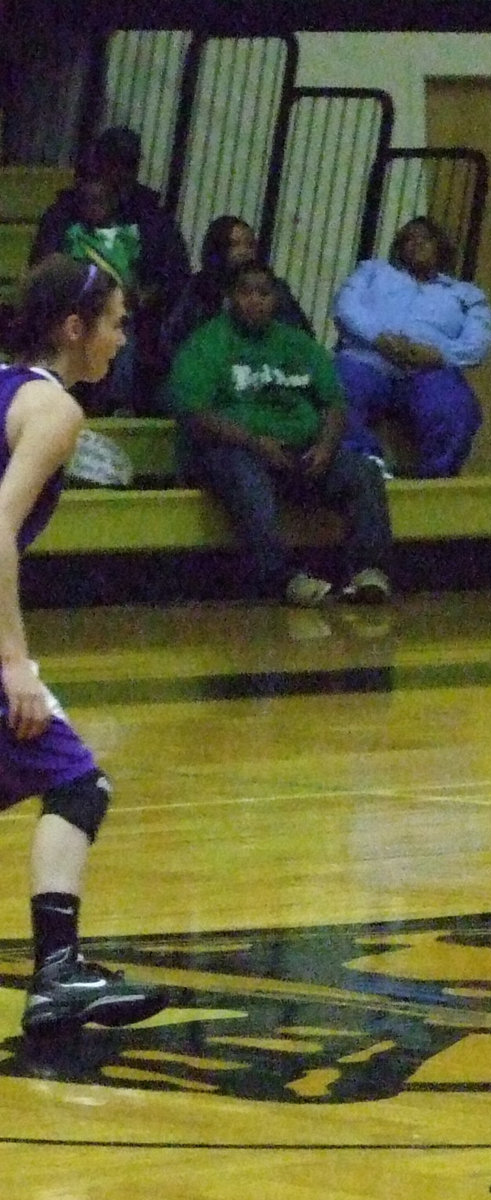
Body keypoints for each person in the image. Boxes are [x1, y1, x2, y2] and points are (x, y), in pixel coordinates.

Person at [0, 254, 168, 1033]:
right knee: (76, 781)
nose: (123, 339)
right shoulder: (54, 410)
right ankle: (59, 974)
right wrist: (14, 664)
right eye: (115, 322)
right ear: (75, 328)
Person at [166, 259, 392, 608]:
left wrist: (326, 446)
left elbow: (334, 403)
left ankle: (367, 572)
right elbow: (195, 413)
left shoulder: (298, 344)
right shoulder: (207, 343)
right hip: (231, 451)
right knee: (245, 474)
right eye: (246, 292)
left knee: (363, 471)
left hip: (300, 452)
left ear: (276, 299)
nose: (255, 300)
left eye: (264, 293)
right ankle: (281, 577)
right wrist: (255, 442)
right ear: (230, 298)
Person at [30, 125, 192, 415]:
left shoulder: (150, 214)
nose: (121, 171)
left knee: (124, 335)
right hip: (71, 302)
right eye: (114, 162)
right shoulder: (65, 212)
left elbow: (174, 273)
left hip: (132, 310)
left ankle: (118, 407)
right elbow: (44, 266)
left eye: (129, 164)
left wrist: (147, 294)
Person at [333, 216, 491, 478]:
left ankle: (433, 478)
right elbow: (345, 307)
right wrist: (378, 338)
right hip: (368, 359)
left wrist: (439, 355)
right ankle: (367, 466)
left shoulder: (466, 294)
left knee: (454, 407)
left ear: (440, 246)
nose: (416, 244)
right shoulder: (373, 272)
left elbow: (478, 343)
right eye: (409, 239)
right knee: (335, 388)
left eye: (425, 238)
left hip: (429, 370)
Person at [159, 214, 312, 372]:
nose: (244, 251)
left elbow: (301, 337)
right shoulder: (199, 288)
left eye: (250, 245)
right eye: (234, 244)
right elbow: (175, 339)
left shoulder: (275, 289)